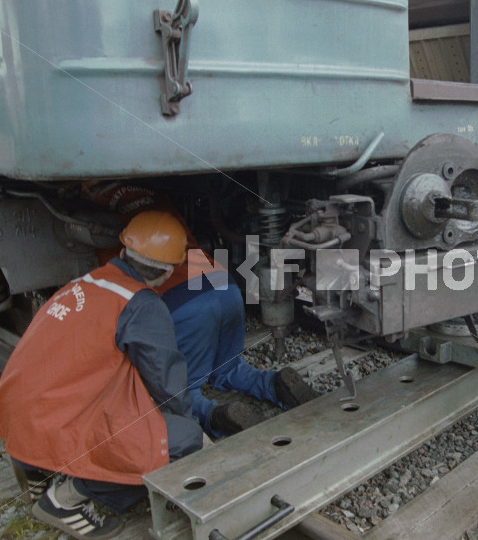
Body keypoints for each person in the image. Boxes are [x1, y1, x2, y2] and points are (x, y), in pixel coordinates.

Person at [0, 211, 207, 540]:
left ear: (124, 250)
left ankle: (33, 467)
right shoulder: (141, 304)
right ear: (170, 269)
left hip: (20, 421)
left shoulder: (83, 283)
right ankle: (64, 500)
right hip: (55, 423)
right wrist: (190, 431)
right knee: (182, 439)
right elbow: (167, 382)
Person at [83, 182, 318, 438]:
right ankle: (273, 384)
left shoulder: (90, 212)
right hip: (223, 286)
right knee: (229, 367)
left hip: (184, 305)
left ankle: (214, 416)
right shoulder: (154, 191)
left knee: (183, 389)